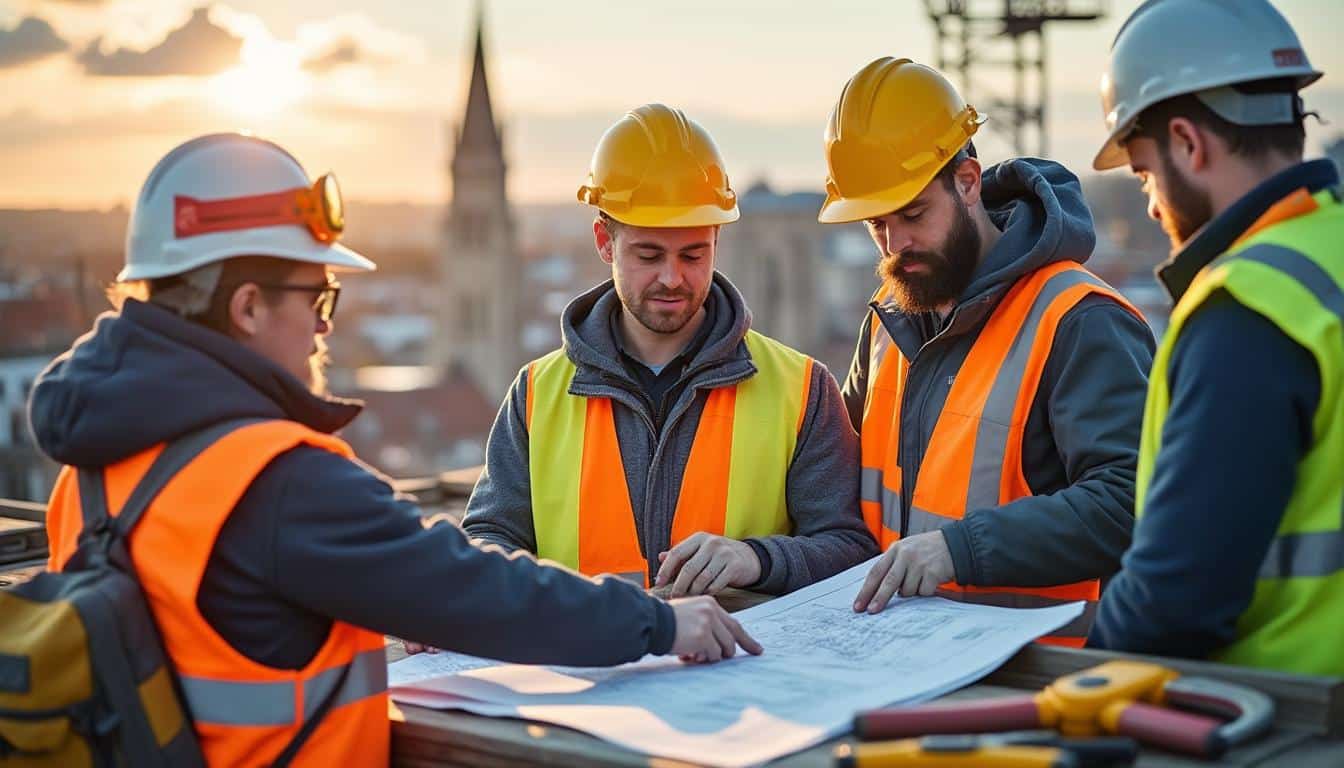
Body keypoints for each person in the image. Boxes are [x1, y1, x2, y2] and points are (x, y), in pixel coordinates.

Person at [32, 133, 761, 767]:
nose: (324, 329)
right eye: (318, 298)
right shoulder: (279, 480)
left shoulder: (92, 472)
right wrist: (662, 621)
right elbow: (468, 587)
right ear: (249, 306)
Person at [463, 104, 876, 597]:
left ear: (717, 241)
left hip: (736, 667)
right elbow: (490, 536)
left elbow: (850, 548)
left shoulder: (802, 388)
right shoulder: (536, 394)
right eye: (649, 254)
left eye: (692, 254)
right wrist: (466, 582)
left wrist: (756, 558)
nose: (672, 278)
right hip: (586, 668)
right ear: (604, 241)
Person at [818, 58, 1154, 645]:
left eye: (914, 214)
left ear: (968, 181)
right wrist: (762, 558)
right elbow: (836, 491)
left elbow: (1131, 502)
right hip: (897, 665)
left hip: (1038, 683)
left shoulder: (1077, 319)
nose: (895, 245)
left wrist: (960, 550)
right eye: (876, 224)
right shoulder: (888, 324)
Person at [1086, 0, 1342, 676]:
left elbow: (1173, 602)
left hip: (1287, 712)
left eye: (1143, 173)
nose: (1148, 201)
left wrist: (1082, 686)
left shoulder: (1249, 307)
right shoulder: (1329, 258)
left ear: (1188, 143)